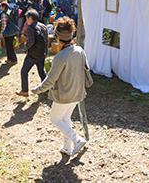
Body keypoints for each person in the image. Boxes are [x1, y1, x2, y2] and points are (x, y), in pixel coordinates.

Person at [31, 16, 93, 156]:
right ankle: (67, 147)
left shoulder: (60, 57)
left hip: (64, 95)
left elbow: (50, 80)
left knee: (55, 119)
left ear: (57, 38)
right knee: (65, 119)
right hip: (78, 93)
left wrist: (37, 90)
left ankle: (76, 140)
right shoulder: (80, 50)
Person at [16, 9, 48, 97]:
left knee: (24, 72)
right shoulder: (43, 26)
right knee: (42, 72)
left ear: (30, 18)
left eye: (27, 18)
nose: (26, 19)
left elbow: (31, 42)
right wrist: (46, 52)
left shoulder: (30, 28)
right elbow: (46, 40)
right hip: (41, 54)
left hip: (32, 55)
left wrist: (25, 45)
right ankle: (46, 90)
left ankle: (24, 91)